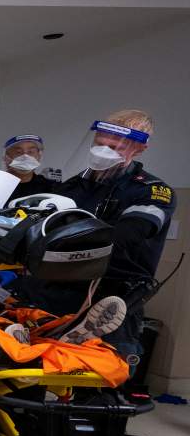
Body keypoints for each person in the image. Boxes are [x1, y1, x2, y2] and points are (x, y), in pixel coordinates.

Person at [52, 109, 176, 365]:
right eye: (99, 144)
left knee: (102, 375)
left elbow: (131, 233)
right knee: (35, 370)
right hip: (58, 288)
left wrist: (72, 243)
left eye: (113, 147)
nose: (102, 151)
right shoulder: (73, 186)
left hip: (112, 294)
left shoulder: (151, 191)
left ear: (138, 149)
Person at [0, 134, 58, 205]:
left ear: (39, 156)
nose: (25, 156)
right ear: (6, 157)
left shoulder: (51, 188)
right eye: (18, 152)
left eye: (31, 152)